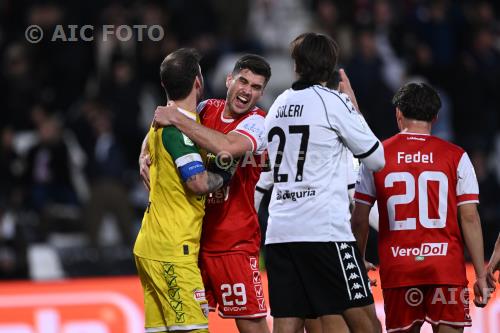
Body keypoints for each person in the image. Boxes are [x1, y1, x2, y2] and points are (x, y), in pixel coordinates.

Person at [263, 32, 384, 333]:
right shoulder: (332, 101)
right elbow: (377, 158)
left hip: (280, 231)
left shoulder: (279, 103)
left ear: (297, 65)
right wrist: (353, 110)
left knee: (287, 323)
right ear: (330, 66)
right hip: (323, 231)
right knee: (368, 325)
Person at [143, 54, 272, 333]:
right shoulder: (205, 109)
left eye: (257, 87)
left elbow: (227, 145)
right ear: (229, 80)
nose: (248, 91)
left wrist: (176, 118)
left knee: (251, 324)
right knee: (182, 325)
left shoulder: (258, 122)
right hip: (195, 242)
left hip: (233, 244)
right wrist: (145, 152)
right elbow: (163, 122)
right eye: (243, 81)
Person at [352, 82, 491, 333]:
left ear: (398, 114)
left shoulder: (377, 155)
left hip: (400, 271)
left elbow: (360, 218)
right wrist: (480, 275)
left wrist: (359, 259)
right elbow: (469, 218)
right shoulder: (456, 156)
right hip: (445, 270)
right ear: (436, 117)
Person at [134, 48, 229, 333]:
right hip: (173, 250)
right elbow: (198, 182)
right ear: (198, 82)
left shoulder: (165, 124)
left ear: (164, 85)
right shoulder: (178, 132)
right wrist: (224, 176)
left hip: (152, 245)